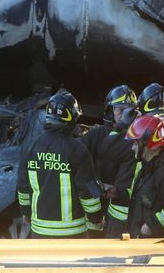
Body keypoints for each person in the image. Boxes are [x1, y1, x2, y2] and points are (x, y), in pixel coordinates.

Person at [17, 91, 103, 238]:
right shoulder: (78, 149)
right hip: (72, 234)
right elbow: (89, 188)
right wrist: (96, 217)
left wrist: (25, 212)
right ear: (73, 117)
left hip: (40, 232)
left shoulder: (33, 147)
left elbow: (23, 186)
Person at [106, 115, 164, 238]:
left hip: (157, 249)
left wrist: (151, 226)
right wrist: (118, 193)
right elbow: (144, 198)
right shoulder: (147, 169)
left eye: (135, 143)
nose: (132, 148)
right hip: (143, 244)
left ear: (150, 144)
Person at [81, 85, 138, 185]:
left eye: (129, 111)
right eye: (121, 110)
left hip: (123, 196)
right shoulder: (96, 134)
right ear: (110, 112)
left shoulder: (138, 136)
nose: (125, 115)